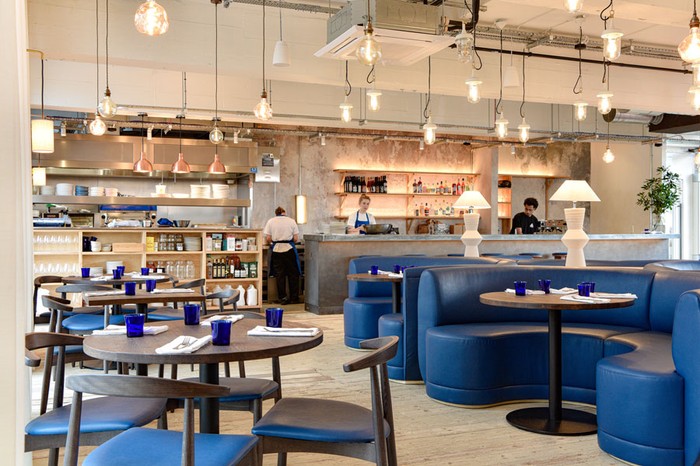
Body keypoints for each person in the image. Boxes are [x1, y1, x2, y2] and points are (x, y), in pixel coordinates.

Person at [263, 206, 301, 305]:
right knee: (293, 274)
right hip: (289, 249)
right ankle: (294, 298)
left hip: (276, 249)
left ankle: (282, 298)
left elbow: (268, 238)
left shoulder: (271, 221)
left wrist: (273, 242)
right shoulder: (291, 221)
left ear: (276, 213)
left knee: (280, 275)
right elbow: (296, 238)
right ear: (284, 212)